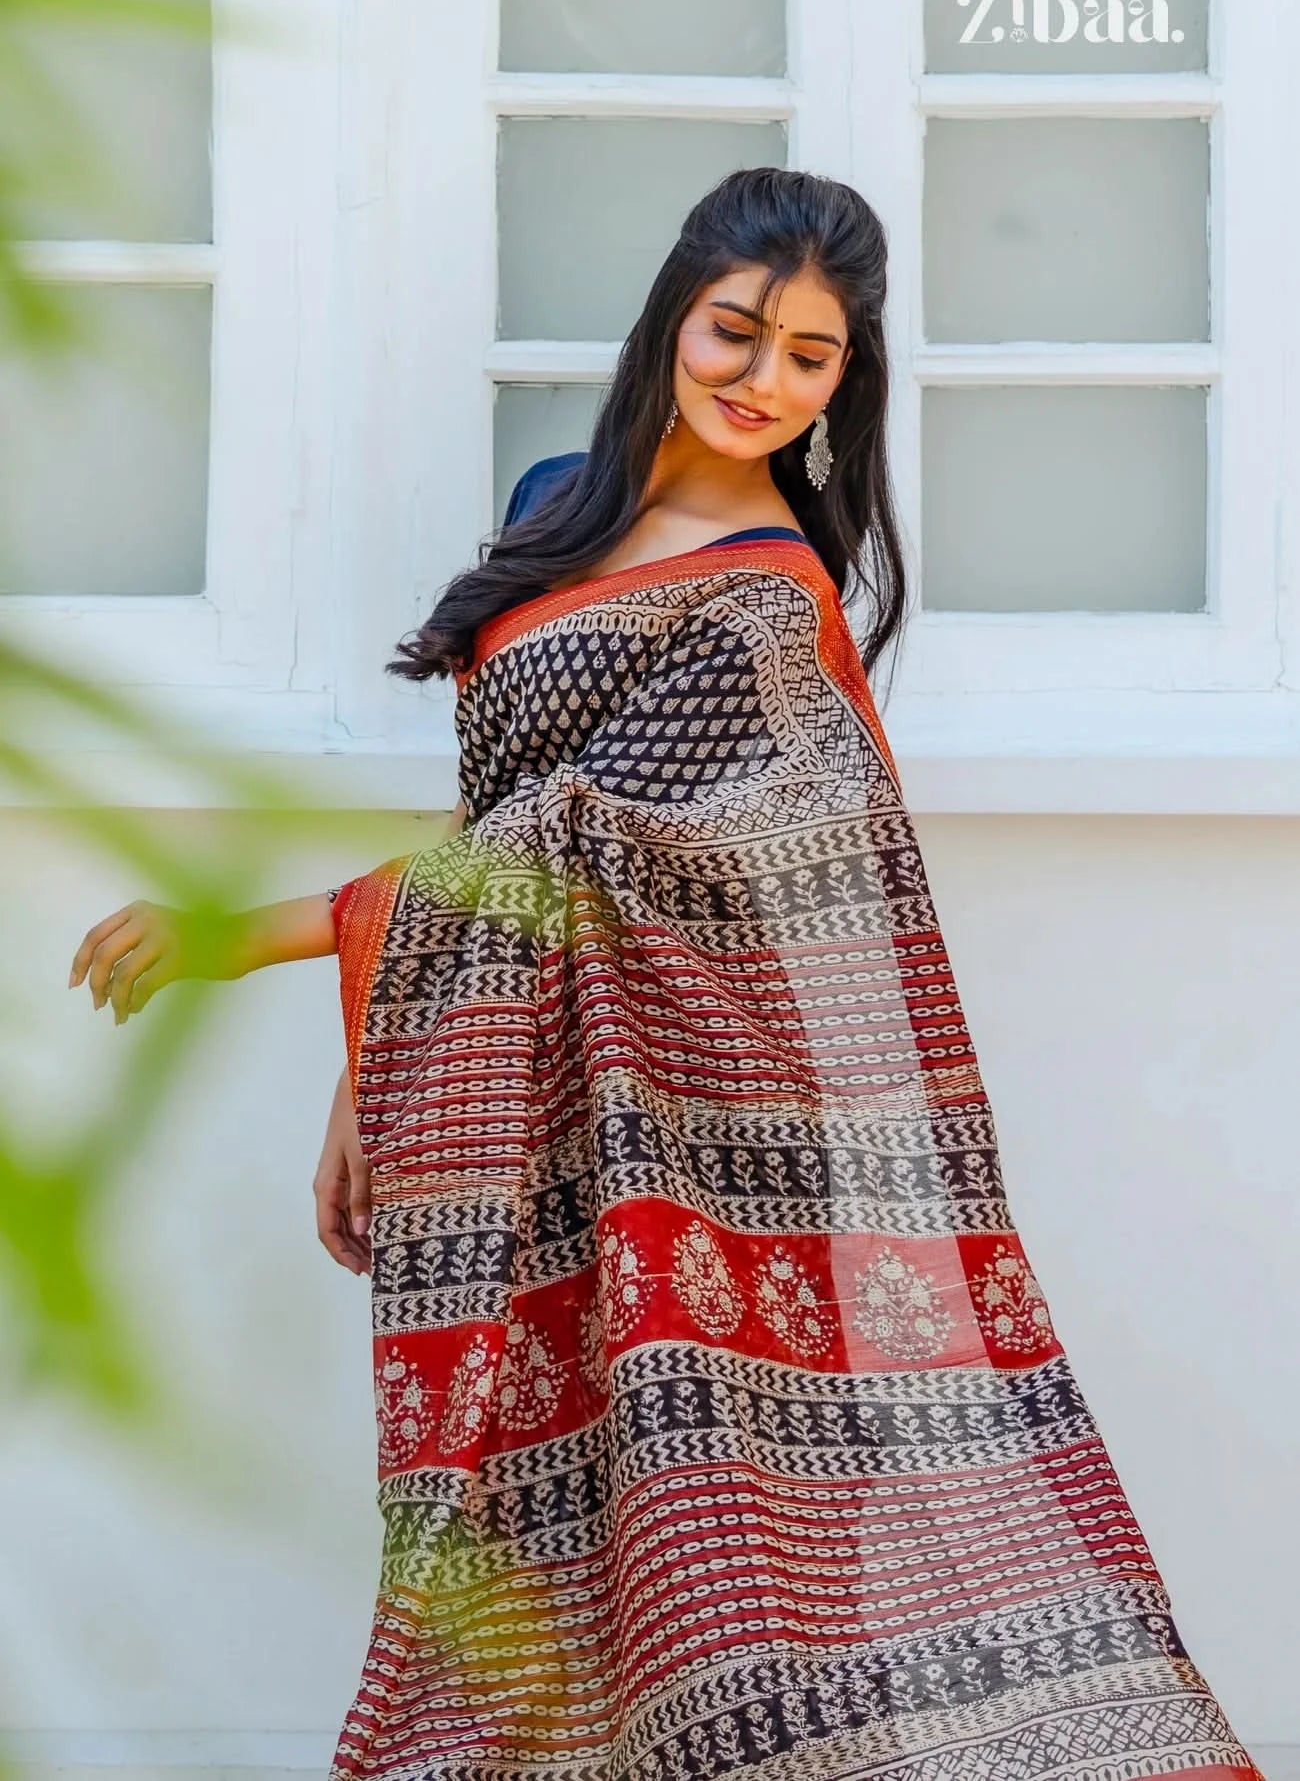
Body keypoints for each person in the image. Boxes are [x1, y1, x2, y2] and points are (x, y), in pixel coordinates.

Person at [69, 167, 1262, 1781]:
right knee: (522, 1546)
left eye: (812, 358)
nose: (763, 380)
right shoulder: (558, 498)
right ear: (674, 316)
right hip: (515, 1101)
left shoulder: (775, 599)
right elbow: (499, 827)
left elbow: (595, 847)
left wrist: (241, 936)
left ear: (849, 384)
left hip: (712, 1131)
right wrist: (374, 1077)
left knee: (732, 1558)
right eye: (738, 332)